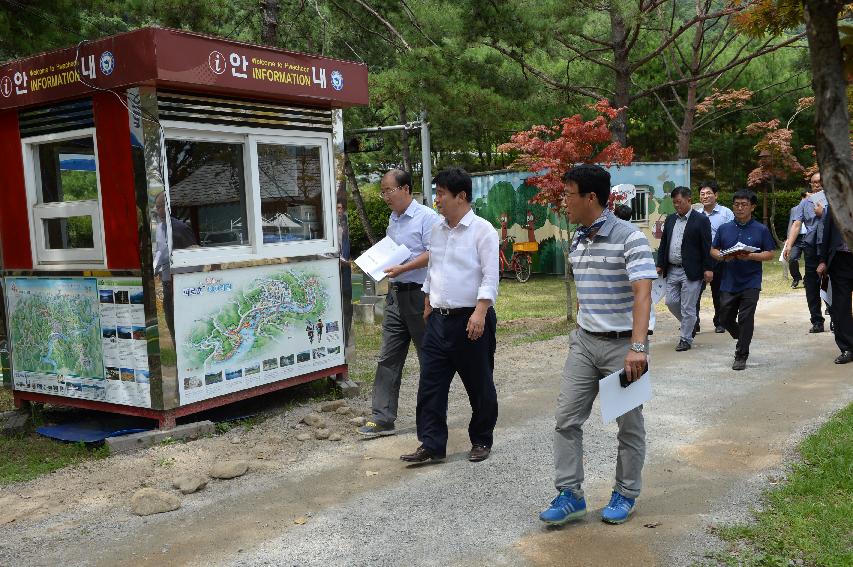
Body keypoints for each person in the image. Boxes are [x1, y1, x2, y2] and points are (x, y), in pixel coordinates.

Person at [539, 164, 656, 526]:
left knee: (628, 424)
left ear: (591, 197)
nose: (564, 201)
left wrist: (637, 347)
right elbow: (587, 293)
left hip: (624, 347)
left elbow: (643, 293)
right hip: (586, 343)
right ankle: (570, 494)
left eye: (569, 194)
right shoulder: (577, 237)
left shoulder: (629, 237)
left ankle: (625, 492)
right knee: (566, 420)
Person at [399, 168, 499, 464]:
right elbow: (435, 269)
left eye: (441, 193)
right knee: (430, 383)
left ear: (461, 196)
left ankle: (481, 439)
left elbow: (490, 277)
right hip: (439, 320)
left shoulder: (483, 230)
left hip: (472, 319)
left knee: (479, 384)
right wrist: (429, 298)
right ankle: (431, 444)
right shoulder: (437, 230)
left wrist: (481, 311)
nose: (437, 200)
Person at [359, 169, 440, 437]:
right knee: (388, 356)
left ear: (405, 189)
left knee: (428, 357)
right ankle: (382, 418)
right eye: (382, 192)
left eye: (388, 190)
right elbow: (391, 253)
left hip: (421, 294)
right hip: (395, 294)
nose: (385, 197)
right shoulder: (393, 220)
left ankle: (431, 417)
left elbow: (434, 253)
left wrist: (403, 269)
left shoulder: (427, 217)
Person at [712, 189, 776, 371]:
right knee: (724, 317)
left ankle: (741, 355)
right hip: (728, 280)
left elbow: (770, 254)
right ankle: (742, 336)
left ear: (752, 207)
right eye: (736, 204)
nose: (739, 208)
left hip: (751, 281)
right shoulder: (725, 228)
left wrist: (751, 256)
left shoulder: (761, 229)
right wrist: (723, 256)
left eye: (744, 205)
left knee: (746, 317)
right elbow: (713, 249)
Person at [656, 186, 713, 351]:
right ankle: (690, 323)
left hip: (692, 271)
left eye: (679, 202)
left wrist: (708, 268)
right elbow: (664, 244)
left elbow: (706, 246)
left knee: (688, 307)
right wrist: (660, 264)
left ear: (688, 200)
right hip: (673, 269)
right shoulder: (670, 219)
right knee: (671, 301)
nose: (676, 206)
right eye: (674, 203)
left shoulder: (701, 220)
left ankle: (685, 339)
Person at [783, 173, 826, 333]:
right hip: (812, 247)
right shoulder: (805, 202)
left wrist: (824, 213)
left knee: (835, 283)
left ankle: (836, 317)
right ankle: (816, 320)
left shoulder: (836, 199)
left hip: (831, 247)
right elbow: (796, 224)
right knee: (811, 283)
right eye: (814, 182)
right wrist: (789, 244)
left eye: (820, 182)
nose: (817, 185)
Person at [153, 190, 197, 342]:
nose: (158, 210)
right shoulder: (158, 229)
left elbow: (194, 256)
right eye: (156, 206)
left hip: (181, 285)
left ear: (168, 206)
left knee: (185, 325)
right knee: (171, 323)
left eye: (161, 206)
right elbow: (159, 253)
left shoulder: (180, 228)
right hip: (166, 284)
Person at [696, 181, 734, 333]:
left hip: (719, 256)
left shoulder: (726, 213)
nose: (705, 196)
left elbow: (732, 233)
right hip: (700, 258)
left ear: (716, 195)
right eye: (702, 194)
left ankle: (720, 321)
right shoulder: (696, 214)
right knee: (695, 292)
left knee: (719, 291)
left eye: (709, 193)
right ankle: (694, 322)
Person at [817, 205, 853, 364]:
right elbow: (826, 235)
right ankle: (847, 348)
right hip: (840, 260)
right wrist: (823, 260)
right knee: (841, 306)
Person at [787, 191, 810, 288]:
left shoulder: (813, 208)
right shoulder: (794, 209)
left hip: (809, 237)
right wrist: (788, 238)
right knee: (792, 258)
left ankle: (807, 279)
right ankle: (796, 278)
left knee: (809, 260)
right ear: (802, 197)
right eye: (808, 197)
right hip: (797, 238)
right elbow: (791, 224)